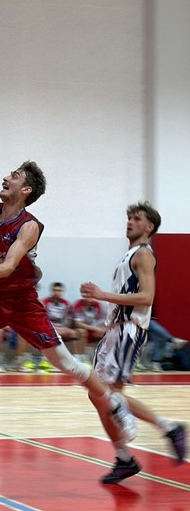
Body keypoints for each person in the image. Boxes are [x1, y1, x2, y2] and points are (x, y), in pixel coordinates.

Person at [0, 158, 138, 452]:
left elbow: (8, 266)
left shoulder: (29, 227)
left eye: (13, 176)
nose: (5, 178)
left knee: (69, 365)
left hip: (23, 304)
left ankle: (115, 405)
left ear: (25, 189)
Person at [80, 201, 186, 483]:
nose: (130, 222)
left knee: (109, 392)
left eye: (136, 218)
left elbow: (147, 297)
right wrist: (104, 322)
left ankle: (168, 428)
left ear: (149, 227)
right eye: (129, 217)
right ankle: (124, 457)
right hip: (114, 330)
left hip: (129, 330)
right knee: (97, 394)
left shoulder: (143, 254)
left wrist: (102, 295)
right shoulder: (128, 255)